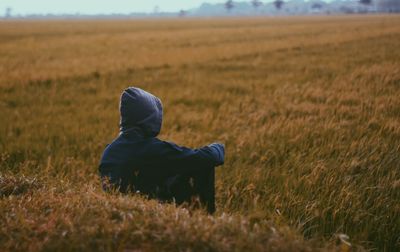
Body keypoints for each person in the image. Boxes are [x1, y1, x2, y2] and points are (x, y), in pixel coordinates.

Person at [99, 87, 225, 214]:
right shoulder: (150, 148)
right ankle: (203, 217)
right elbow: (210, 158)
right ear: (149, 118)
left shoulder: (109, 150)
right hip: (148, 212)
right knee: (202, 165)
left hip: (119, 211)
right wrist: (217, 147)